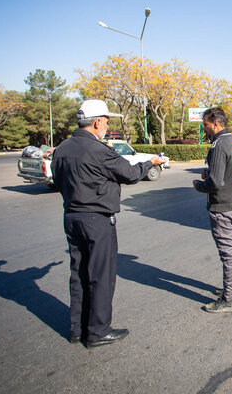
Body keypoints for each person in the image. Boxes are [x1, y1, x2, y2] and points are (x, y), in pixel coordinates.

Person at [51, 99, 165, 348]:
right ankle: (98, 331)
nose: (107, 125)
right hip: (96, 219)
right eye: (106, 120)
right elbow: (131, 173)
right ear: (96, 122)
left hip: (71, 216)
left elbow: (58, 181)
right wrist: (151, 163)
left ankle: (77, 329)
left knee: (78, 274)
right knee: (100, 276)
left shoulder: (62, 148)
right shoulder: (98, 150)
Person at [192, 107, 232, 313]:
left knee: (228, 253)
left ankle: (229, 299)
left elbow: (214, 183)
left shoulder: (219, 145)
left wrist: (199, 184)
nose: (204, 128)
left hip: (222, 207)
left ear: (215, 124)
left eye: (205, 124)